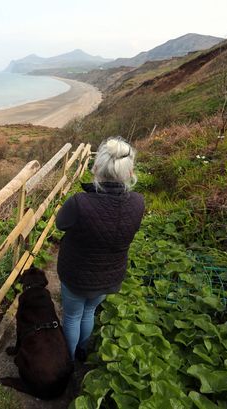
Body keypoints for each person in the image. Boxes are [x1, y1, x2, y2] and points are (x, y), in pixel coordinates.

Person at [56, 137, 145, 361]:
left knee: (72, 317)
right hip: (109, 276)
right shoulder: (137, 202)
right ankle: (82, 351)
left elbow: (60, 224)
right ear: (129, 171)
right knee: (89, 312)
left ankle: (67, 361)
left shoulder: (79, 203)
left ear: (96, 168)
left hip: (76, 275)